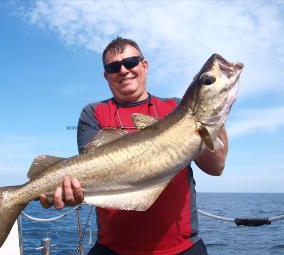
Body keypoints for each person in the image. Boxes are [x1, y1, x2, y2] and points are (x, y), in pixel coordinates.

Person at [40, 37, 228, 255]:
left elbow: (216, 168)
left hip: (182, 248)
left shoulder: (176, 108)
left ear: (144, 65)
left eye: (130, 62)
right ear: (106, 75)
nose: (123, 70)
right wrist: (67, 189)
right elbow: (90, 174)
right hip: (113, 249)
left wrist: (215, 118)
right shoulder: (93, 113)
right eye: (113, 67)